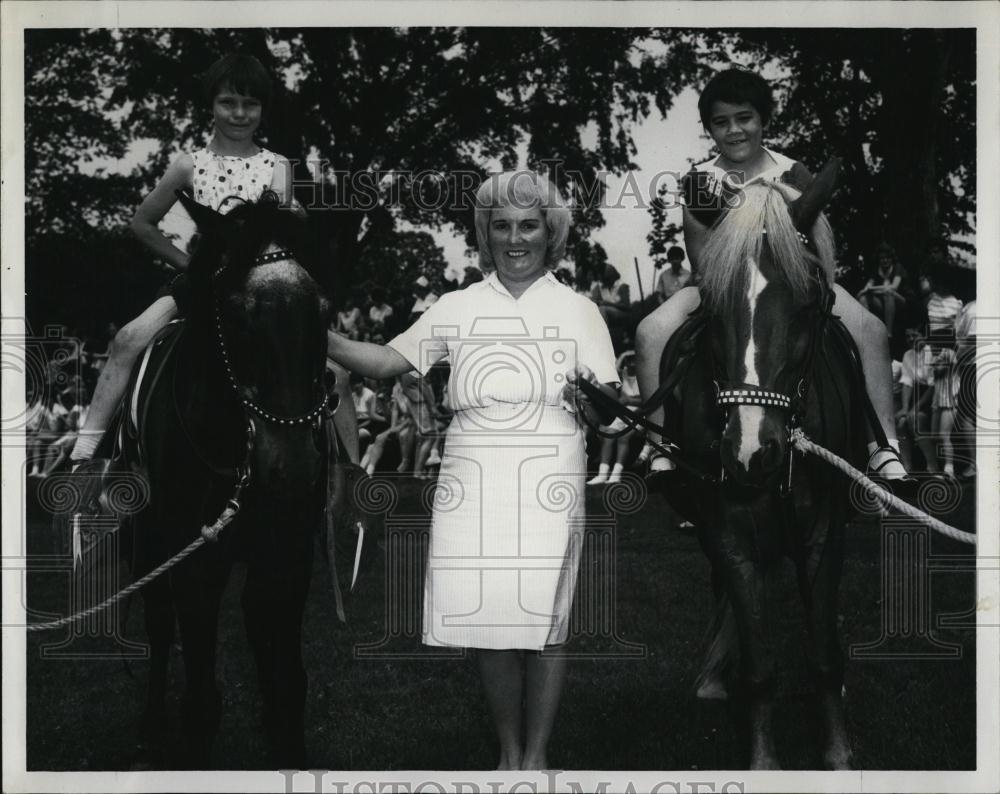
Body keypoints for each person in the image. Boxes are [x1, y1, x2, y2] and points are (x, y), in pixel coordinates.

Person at [326, 171, 619, 770]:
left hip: (549, 465)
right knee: (487, 615)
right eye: (501, 226)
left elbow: (610, 411)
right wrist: (313, 330)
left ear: (550, 231)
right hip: (471, 467)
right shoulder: (457, 305)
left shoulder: (579, 309)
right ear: (485, 233)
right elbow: (384, 362)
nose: (515, 239)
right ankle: (508, 758)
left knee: (546, 612)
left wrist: (591, 400)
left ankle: (536, 760)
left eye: (528, 225)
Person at [635, 67, 909, 484]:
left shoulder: (793, 173)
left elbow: (817, 245)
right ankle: (659, 442)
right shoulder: (700, 183)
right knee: (650, 331)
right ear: (709, 128)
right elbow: (702, 262)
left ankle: (882, 445)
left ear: (763, 119)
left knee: (871, 329)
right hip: (723, 289)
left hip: (790, 284)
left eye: (744, 118)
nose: (734, 130)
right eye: (721, 122)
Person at [69, 53, 294, 464]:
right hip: (204, 284)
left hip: (265, 291)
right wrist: (191, 266)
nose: (239, 114)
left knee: (337, 368)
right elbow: (142, 223)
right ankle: (86, 451)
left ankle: (344, 472)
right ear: (210, 104)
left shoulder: (277, 167)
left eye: (251, 104)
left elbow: (294, 232)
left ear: (264, 108)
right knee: (128, 339)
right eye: (228, 102)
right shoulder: (190, 166)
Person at [587, 350, 642, 484]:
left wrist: (629, 400)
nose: (631, 363)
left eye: (634, 360)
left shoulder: (643, 376)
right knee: (609, 435)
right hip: (622, 413)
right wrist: (622, 355)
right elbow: (614, 371)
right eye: (628, 360)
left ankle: (616, 474)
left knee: (624, 437)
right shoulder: (623, 374)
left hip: (640, 414)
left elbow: (646, 401)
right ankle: (602, 474)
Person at [857, 242, 908, 342]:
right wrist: (865, 291)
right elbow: (867, 287)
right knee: (863, 298)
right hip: (883, 302)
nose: (885, 260)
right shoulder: (876, 270)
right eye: (882, 258)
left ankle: (889, 333)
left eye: (887, 258)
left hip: (900, 300)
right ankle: (867, 329)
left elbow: (894, 287)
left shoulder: (897, 267)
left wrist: (872, 289)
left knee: (888, 292)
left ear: (891, 258)